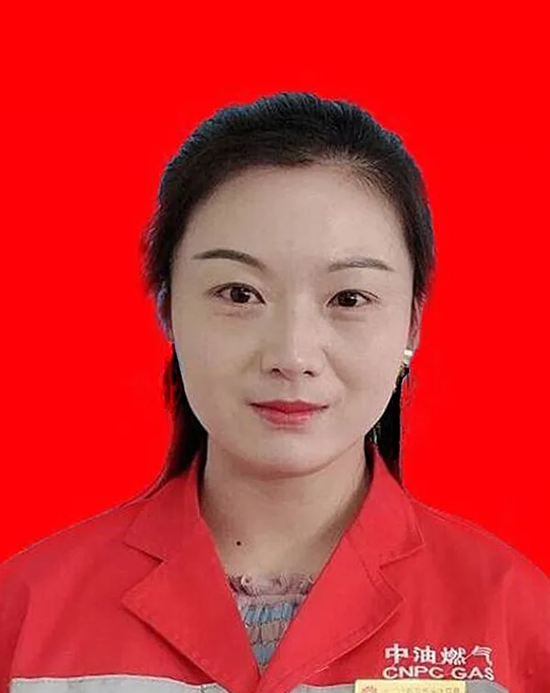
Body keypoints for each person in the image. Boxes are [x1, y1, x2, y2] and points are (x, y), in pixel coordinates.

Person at [0, 91, 548, 693]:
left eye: (349, 298)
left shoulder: (515, 620)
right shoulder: (24, 615)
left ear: (412, 324)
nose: (291, 356)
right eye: (239, 294)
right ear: (168, 309)